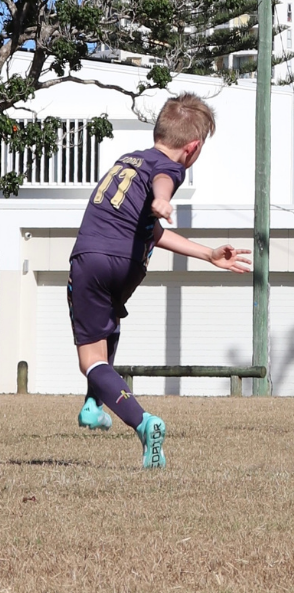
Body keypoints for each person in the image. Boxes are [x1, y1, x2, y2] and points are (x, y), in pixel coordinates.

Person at [69, 93, 251, 468]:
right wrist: (169, 209)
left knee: (91, 359)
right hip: (126, 264)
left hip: (93, 257)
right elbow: (164, 187)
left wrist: (162, 203)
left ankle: (143, 422)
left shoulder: (129, 161)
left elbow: (161, 184)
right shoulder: (170, 166)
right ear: (193, 147)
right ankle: (92, 405)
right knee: (108, 328)